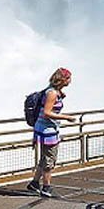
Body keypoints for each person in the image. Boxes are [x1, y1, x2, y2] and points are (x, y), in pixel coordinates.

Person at [27, 67, 75, 198]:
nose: (70, 81)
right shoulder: (52, 93)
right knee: (49, 160)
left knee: (45, 157)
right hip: (47, 131)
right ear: (62, 80)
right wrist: (67, 117)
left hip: (45, 129)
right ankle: (46, 187)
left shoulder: (54, 91)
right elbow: (47, 112)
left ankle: (35, 183)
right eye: (68, 78)